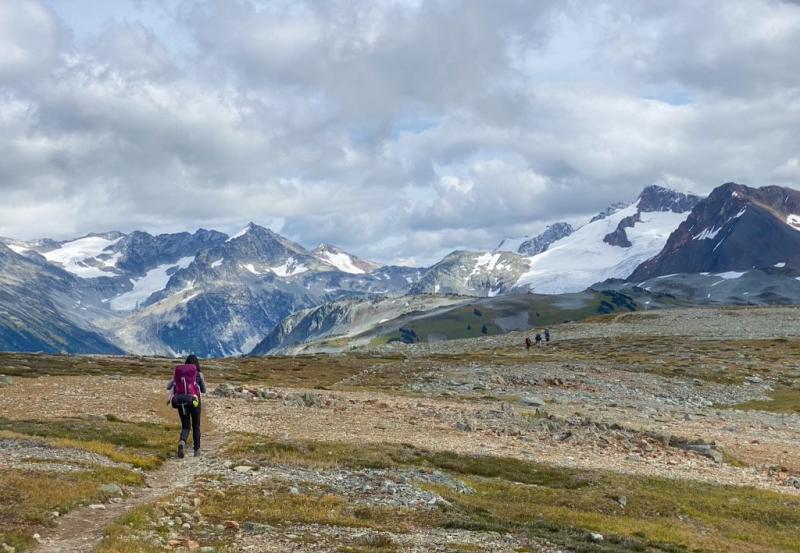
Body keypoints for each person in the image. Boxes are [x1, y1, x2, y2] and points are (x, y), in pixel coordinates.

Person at [168, 354, 206, 458]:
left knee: (185, 426)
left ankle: (182, 442)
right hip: (195, 402)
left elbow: (168, 386)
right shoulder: (198, 374)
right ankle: (197, 450)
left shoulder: (179, 375)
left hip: (181, 402)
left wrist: (176, 378)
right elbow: (204, 390)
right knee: (196, 426)